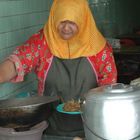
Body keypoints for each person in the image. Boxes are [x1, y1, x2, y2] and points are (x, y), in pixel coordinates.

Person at [0, 0, 117, 139]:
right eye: (61, 21)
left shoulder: (99, 49)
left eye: (72, 22)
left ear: (83, 20)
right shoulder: (43, 41)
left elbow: (109, 90)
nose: (66, 28)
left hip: (91, 128)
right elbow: (17, 62)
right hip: (49, 127)